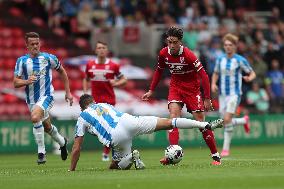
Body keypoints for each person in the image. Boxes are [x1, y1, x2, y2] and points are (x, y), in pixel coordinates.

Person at [69, 94, 224, 171]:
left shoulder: (83, 116)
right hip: (130, 121)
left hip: (117, 135)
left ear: (82, 107)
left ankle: (132, 156)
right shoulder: (103, 104)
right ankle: (204, 124)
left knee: (116, 166)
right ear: (93, 102)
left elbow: (76, 148)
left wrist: (72, 169)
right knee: (169, 122)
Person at [141, 26, 221, 165]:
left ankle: (215, 156)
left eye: (174, 42)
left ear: (180, 42)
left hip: (192, 90)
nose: (171, 45)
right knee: (173, 119)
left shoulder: (189, 55)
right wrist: (151, 90)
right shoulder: (163, 53)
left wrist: (207, 98)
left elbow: (204, 75)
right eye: (169, 42)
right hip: (176, 87)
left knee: (201, 123)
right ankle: (170, 156)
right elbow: (159, 71)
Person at [13, 32, 73, 164]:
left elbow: (62, 71)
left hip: (47, 96)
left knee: (35, 118)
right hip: (31, 100)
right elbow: (15, 82)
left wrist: (68, 92)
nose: (35, 46)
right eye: (32, 44)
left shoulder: (48, 58)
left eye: (37, 43)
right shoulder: (22, 61)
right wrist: (27, 81)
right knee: (47, 127)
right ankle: (62, 142)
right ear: (27, 46)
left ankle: (41, 152)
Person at [211, 33, 256, 157]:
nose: (227, 47)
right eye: (225, 45)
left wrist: (249, 78)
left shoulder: (240, 60)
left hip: (234, 94)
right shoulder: (220, 59)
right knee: (225, 121)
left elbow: (252, 73)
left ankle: (225, 149)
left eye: (230, 45)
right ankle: (243, 120)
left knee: (226, 119)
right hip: (222, 94)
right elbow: (215, 73)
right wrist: (213, 84)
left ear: (235, 46)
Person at [83, 41, 127, 161]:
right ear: (96, 50)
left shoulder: (113, 65)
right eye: (99, 48)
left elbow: (124, 80)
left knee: (109, 128)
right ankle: (108, 148)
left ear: (107, 50)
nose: (101, 50)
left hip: (109, 101)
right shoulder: (90, 65)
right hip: (94, 102)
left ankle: (106, 152)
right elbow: (86, 79)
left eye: (103, 47)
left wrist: (116, 83)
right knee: (96, 128)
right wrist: (85, 92)